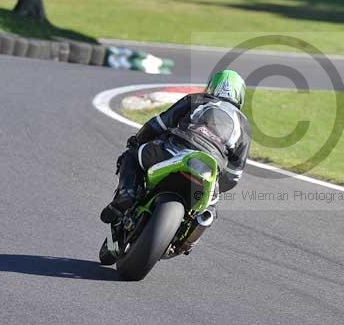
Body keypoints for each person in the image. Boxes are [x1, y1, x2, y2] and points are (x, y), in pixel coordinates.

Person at [101, 69, 251, 224]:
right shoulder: (244, 126)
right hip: (208, 169)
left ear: (212, 86)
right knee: (208, 211)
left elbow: (158, 124)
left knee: (132, 156)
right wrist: (217, 182)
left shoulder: (196, 99)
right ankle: (187, 242)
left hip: (173, 151)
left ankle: (127, 193)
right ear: (240, 96)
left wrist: (138, 140)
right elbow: (234, 174)